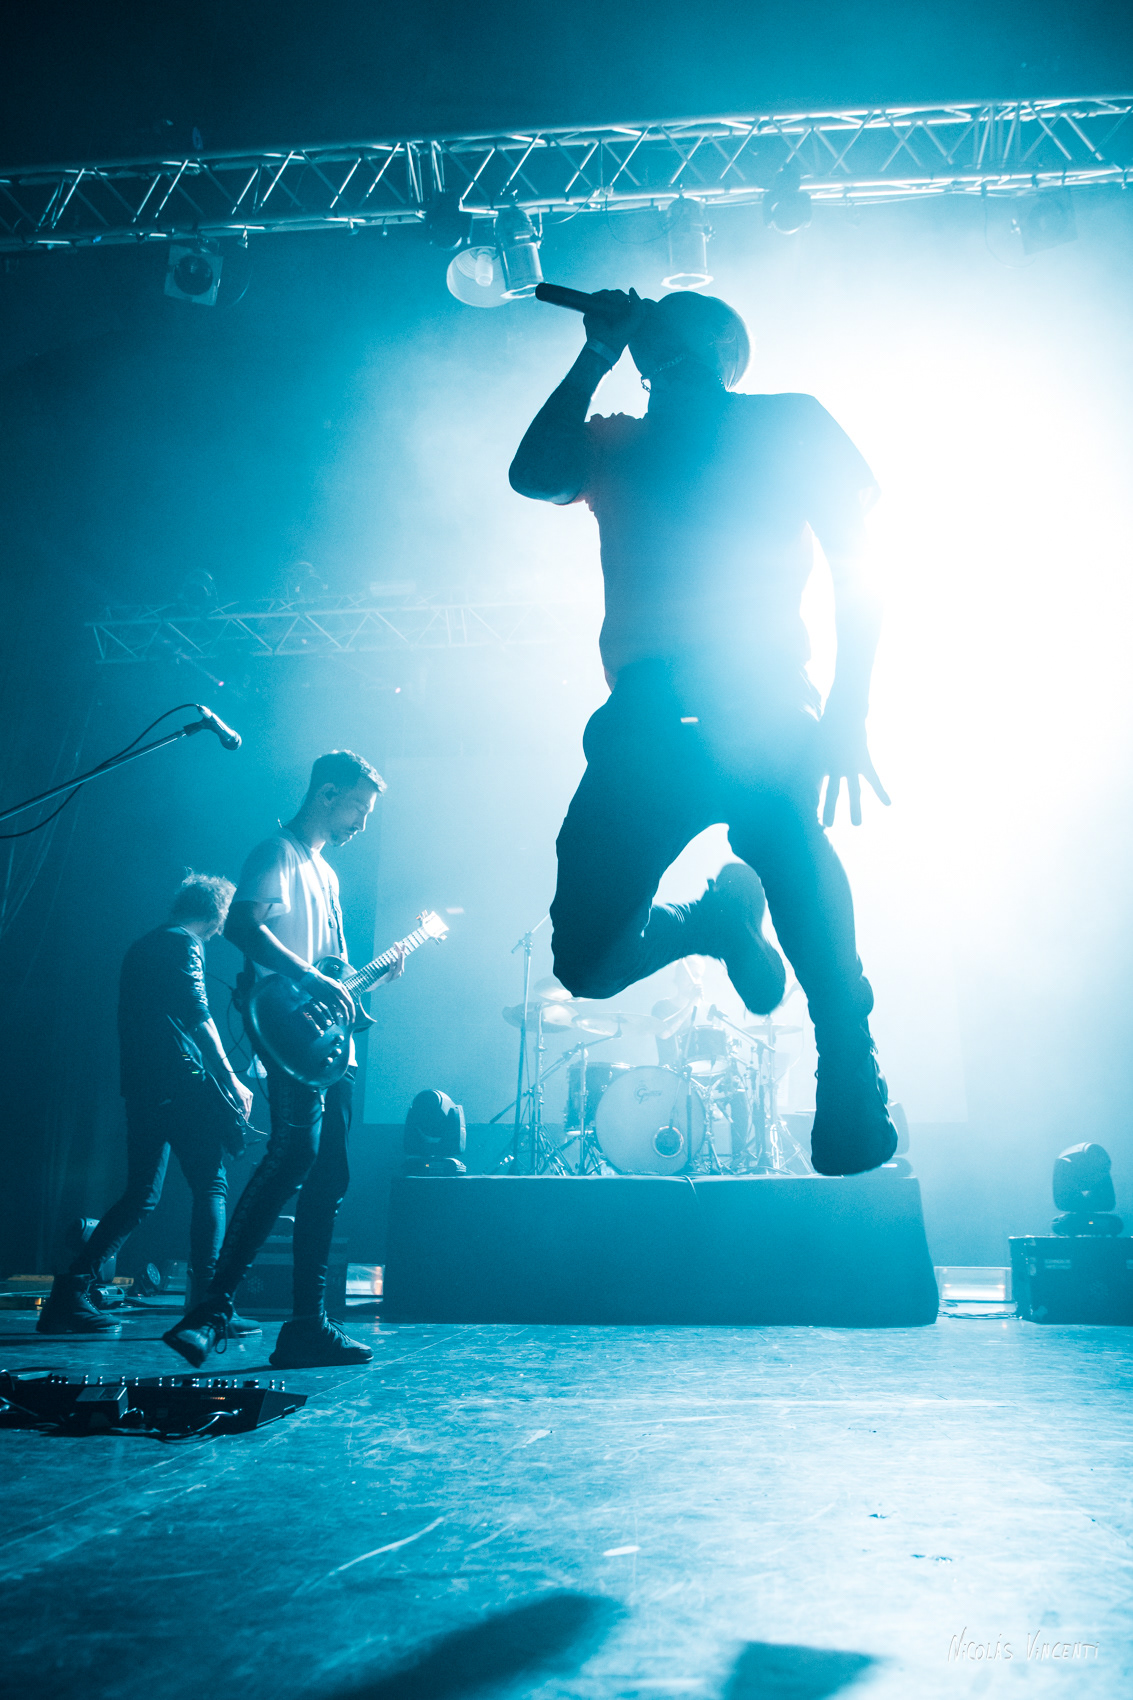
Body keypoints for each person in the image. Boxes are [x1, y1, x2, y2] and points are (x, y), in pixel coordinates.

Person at [508, 287, 897, 1176]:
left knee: (786, 838)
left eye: (680, 340)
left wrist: (848, 710)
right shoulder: (616, 442)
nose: (666, 355)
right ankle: (710, 922)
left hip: (758, 698)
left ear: (726, 354)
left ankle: (848, 1055)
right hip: (644, 721)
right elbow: (533, 475)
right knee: (585, 966)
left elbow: (857, 566)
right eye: (658, 345)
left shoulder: (788, 422)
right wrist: (594, 354)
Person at [163, 750, 402, 1370]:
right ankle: (212, 1309)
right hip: (289, 1033)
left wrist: (368, 979)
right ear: (326, 794)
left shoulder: (328, 874)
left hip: (328, 1045)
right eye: (357, 807)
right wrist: (309, 978)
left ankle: (307, 1326)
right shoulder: (276, 852)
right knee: (293, 1155)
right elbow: (243, 928)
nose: (362, 822)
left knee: (328, 1176)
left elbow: (333, 973)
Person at [38, 873, 258, 1336]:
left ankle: (69, 1294)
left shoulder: (144, 944)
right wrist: (231, 1078)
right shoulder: (184, 944)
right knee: (211, 1186)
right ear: (218, 914)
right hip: (180, 1084)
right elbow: (198, 1014)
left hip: (143, 1088)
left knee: (141, 1195)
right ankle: (208, 1305)